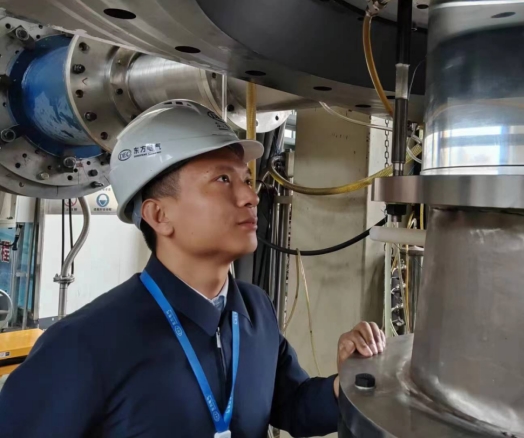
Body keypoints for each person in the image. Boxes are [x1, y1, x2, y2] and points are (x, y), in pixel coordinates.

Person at [0, 100, 386, 437]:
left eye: (246, 179)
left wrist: (347, 382)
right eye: (222, 179)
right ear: (159, 215)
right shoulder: (83, 344)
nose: (250, 196)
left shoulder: (255, 311)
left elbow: (292, 405)